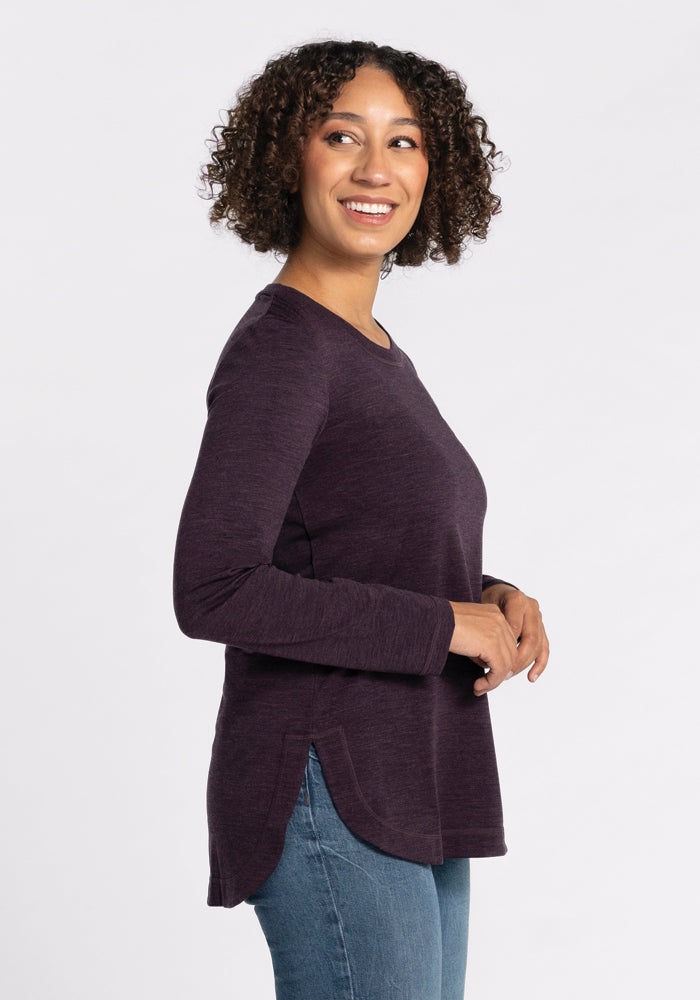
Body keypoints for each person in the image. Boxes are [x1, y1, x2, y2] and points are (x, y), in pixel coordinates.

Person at [173, 38, 549, 1000]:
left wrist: (491, 597)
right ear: (285, 157)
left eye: (405, 141)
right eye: (342, 136)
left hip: (410, 773)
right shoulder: (285, 350)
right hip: (328, 784)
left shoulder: (367, 348)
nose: (376, 169)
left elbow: (356, 539)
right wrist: (439, 625)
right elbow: (214, 586)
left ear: (437, 168)